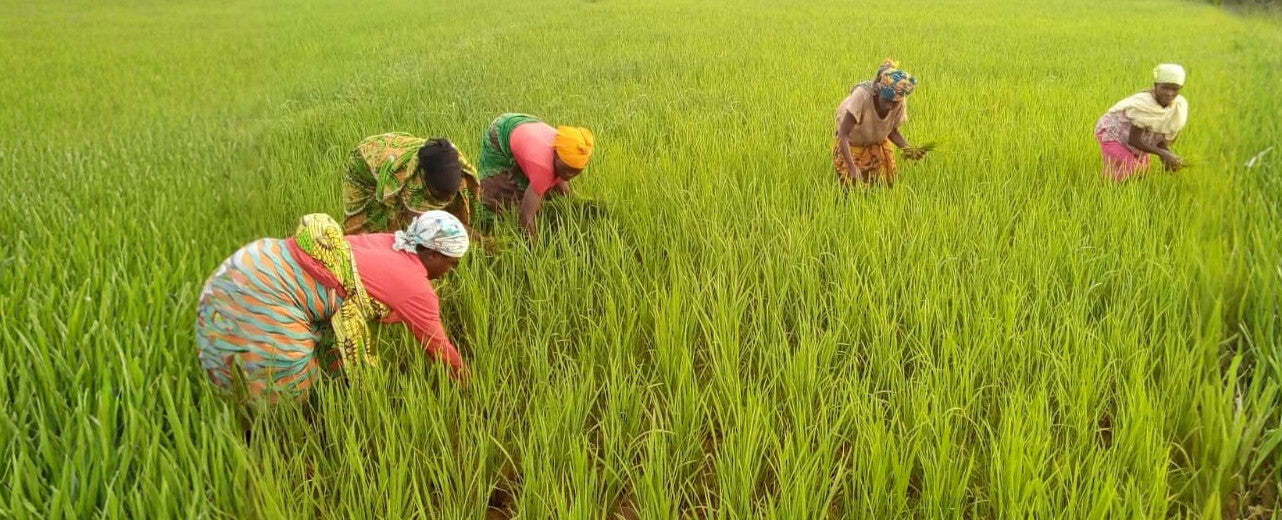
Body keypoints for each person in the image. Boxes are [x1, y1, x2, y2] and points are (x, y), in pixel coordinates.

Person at [195, 211, 472, 401]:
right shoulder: (416, 288)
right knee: (289, 387)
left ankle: (226, 389)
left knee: (232, 349)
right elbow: (438, 348)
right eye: (451, 263)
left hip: (256, 261)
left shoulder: (388, 241)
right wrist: (470, 386)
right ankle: (274, 435)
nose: (449, 272)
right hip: (267, 290)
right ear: (433, 254)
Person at [475, 113, 595, 238]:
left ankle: (520, 161)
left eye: (576, 171)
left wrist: (576, 201)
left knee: (550, 189)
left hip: (531, 132)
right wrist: (535, 246)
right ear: (556, 154)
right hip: (502, 129)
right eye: (566, 168)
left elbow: (561, 179)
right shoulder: (543, 166)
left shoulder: (564, 147)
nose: (570, 175)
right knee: (501, 199)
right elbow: (526, 216)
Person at [343, 132, 481, 234]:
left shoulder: (462, 170)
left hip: (394, 147)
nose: (449, 200)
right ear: (425, 179)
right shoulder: (413, 182)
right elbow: (421, 227)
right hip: (365, 160)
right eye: (440, 195)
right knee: (365, 228)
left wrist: (478, 238)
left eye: (451, 194)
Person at [833, 59, 927, 187]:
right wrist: (852, 167)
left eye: (894, 103)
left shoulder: (899, 100)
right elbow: (843, 135)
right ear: (878, 91)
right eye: (886, 100)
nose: (889, 106)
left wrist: (909, 149)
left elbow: (891, 130)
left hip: (877, 141)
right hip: (852, 143)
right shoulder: (861, 96)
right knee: (850, 185)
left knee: (885, 182)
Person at [1094, 64, 1188, 182]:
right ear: (1155, 86)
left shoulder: (1178, 107)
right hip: (1115, 135)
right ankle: (1104, 188)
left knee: (1142, 173)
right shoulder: (1144, 104)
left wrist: (1169, 155)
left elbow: (1159, 139)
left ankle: (1120, 189)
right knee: (1130, 168)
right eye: (1164, 88)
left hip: (1140, 140)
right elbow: (1134, 140)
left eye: (1175, 89)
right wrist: (1163, 154)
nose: (1169, 93)